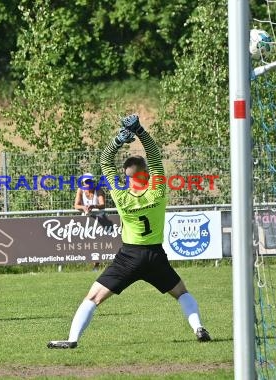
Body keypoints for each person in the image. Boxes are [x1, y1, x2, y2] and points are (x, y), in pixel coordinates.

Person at [48, 114, 211, 349]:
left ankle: (72, 339)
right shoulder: (157, 191)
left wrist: (118, 140)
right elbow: (154, 155)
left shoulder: (122, 196)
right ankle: (198, 327)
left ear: (126, 176)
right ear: (148, 173)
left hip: (129, 257)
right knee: (181, 293)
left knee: (93, 298)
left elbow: (105, 161)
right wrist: (139, 131)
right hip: (155, 255)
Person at [74, 173, 106, 271]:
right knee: (86, 242)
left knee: (98, 242)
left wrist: (94, 206)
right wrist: (84, 207)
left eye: (89, 181)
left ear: (93, 181)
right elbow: (76, 205)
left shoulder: (99, 190)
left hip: (100, 219)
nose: (88, 183)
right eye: (86, 182)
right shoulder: (80, 190)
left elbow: (103, 204)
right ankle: (90, 264)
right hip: (87, 218)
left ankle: (96, 266)